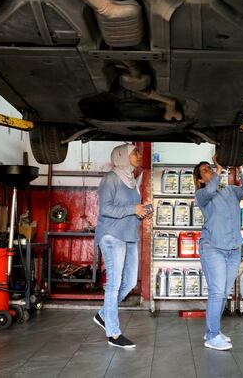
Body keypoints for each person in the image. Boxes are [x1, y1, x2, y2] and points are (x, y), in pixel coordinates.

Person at [194, 155, 243, 351]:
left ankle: (213, 330)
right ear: (200, 180)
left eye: (209, 168)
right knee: (217, 291)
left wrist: (241, 167)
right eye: (205, 171)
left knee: (223, 294)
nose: (210, 171)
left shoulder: (230, 190)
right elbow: (212, 188)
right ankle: (212, 336)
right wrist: (219, 170)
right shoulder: (203, 195)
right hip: (213, 248)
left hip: (233, 250)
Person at [93, 143, 151, 349]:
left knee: (129, 283)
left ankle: (103, 315)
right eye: (133, 152)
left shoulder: (131, 181)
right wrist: (132, 208)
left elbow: (131, 210)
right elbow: (106, 208)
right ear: (122, 156)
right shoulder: (110, 179)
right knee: (114, 284)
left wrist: (142, 211)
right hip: (111, 236)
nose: (138, 154)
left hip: (128, 235)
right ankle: (113, 334)